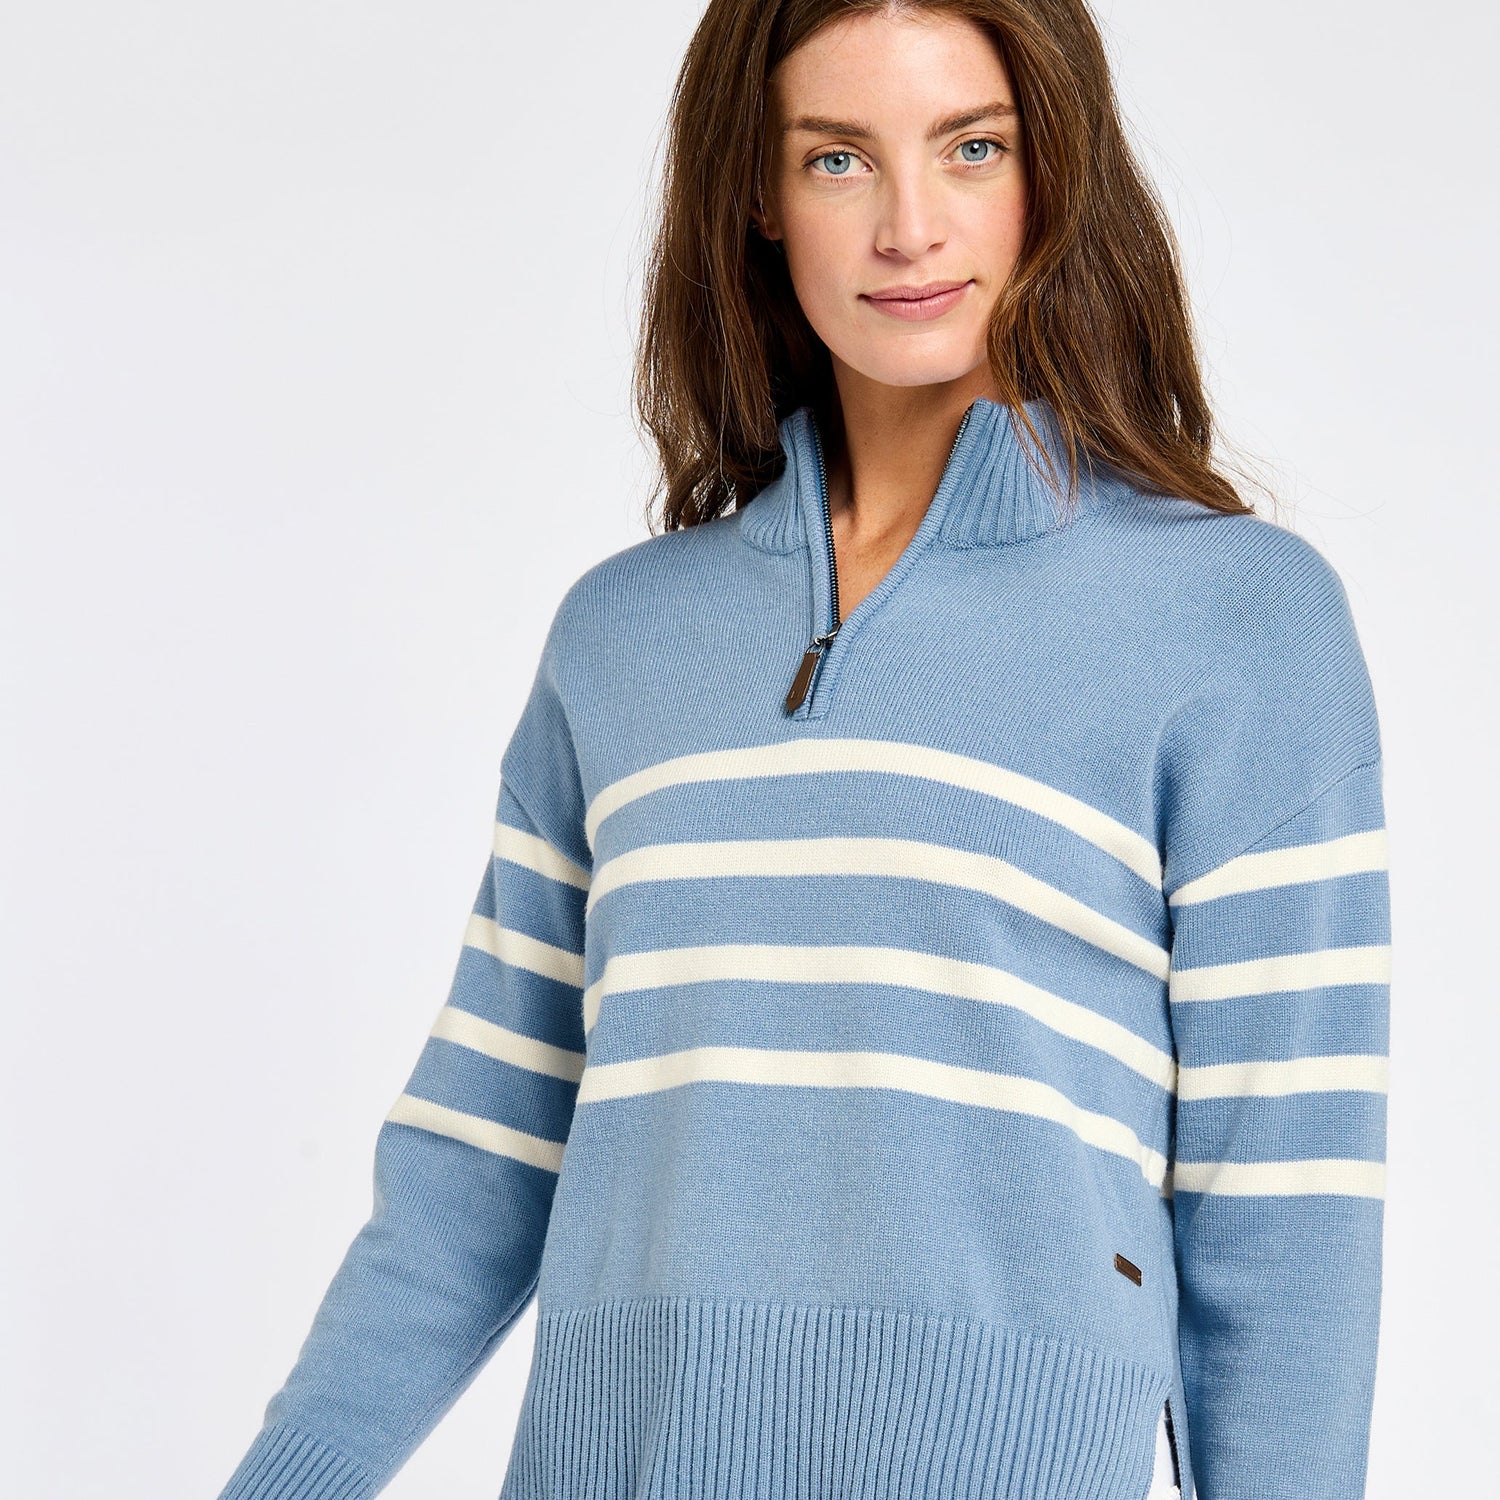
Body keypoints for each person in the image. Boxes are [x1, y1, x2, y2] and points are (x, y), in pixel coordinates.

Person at [215, 4, 1390, 1499]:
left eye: (973, 148)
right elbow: (480, 1151)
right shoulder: (625, 636)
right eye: (839, 158)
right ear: (760, 198)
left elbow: (1283, 1193)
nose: (910, 226)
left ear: (1056, 168)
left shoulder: (1235, 619)